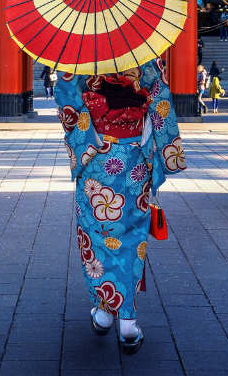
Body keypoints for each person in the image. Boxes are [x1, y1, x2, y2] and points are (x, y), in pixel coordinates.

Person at [55, 59, 186, 354]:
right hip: (136, 153)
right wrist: (154, 139)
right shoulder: (143, 53)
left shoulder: (78, 57)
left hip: (97, 154)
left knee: (97, 231)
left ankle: (105, 312)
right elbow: (159, 98)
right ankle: (127, 321)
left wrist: (91, 139)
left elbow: (66, 98)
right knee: (130, 233)